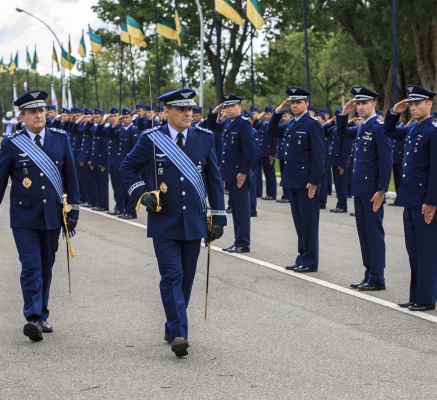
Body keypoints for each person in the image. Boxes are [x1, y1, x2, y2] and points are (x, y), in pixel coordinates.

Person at [120, 88, 226, 357]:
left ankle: (172, 323)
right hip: (163, 221)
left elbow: (213, 178)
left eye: (190, 108)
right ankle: (180, 332)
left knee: (186, 279)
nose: (188, 113)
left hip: (194, 221)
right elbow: (127, 167)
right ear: (167, 112)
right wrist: (142, 193)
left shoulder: (204, 138)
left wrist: (219, 216)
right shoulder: (151, 139)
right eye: (181, 109)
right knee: (172, 276)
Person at [0, 90, 80, 341]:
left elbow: (71, 177)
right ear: (22, 116)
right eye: (33, 112)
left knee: (46, 265)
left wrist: (75, 211)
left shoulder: (61, 139)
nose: (39, 115)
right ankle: (33, 317)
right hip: (24, 217)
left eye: (41, 111)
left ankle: (43, 314)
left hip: (52, 215)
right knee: (30, 266)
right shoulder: (12, 143)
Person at [383, 85, 437, 311]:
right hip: (411, 200)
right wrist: (395, 111)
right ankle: (416, 296)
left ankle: (426, 298)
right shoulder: (413, 129)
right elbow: (388, 131)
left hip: (424, 202)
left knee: (426, 252)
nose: (413, 107)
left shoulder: (434, 132)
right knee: (414, 252)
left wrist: (431, 202)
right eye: (411, 104)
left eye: (417, 103)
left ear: (429, 105)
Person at [338, 87, 392, 290]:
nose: (360, 107)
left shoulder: (380, 127)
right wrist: (344, 114)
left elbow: (386, 161)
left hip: (372, 191)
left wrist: (381, 189)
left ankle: (377, 276)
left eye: (364, 103)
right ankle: (369, 273)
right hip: (360, 188)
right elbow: (341, 133)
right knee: (364, 234)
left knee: (374, 233)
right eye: (358, 103)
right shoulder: (362, 127)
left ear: (373, 104)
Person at [267, 86, 326, 273]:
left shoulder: (312, 124)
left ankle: (310, 260)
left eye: (298, 102)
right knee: (299, 222)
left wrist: (314, 181)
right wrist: (278, 111)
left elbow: (319, 155)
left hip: (306, 181)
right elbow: (271, 131)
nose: (294, 105)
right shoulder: (292, 124)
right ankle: (302, 257)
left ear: (306, 104)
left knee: (309, 222)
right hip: (292, 179)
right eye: (292, 102)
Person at [207, 94, 256, 253]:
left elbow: (249, 151)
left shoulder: (243, 124)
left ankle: (243, 242)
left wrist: (243, 172)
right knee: (235, 208)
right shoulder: (228, 122)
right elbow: (211, 126)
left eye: (232, 106)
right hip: (229, 173)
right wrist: (215, 112)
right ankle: (238, 240)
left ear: (239, 107)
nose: (228, 109)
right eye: (226, 106)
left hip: (238, 175)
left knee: (241, 210)